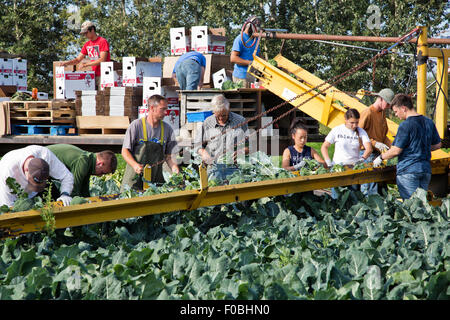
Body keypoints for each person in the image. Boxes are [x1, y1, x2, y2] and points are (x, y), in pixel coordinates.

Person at [373, 94, 441, 200]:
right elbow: (438, 145)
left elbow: (396, 150)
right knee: (422, 206)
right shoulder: (428, 122)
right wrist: (420, 147)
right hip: (425, 170)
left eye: (396, 111)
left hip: (408, 170)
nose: (396, 115)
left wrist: (381, 157)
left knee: (411, 208)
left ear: (403, 108)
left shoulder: (406, 125)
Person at [121, 95, 180, 191]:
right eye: (163, 109)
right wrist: (135, 165)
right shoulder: (136, 126)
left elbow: (169, 156)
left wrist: (175, 169)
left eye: (166, 109)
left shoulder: (167, 129)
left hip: (155, 179)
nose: (166, 112)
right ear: (152, 108)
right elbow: (125, 151)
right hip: (135, 177)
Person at [321, 108, 373, 199]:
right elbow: (324, 147)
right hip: (338, 170)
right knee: (337, 199)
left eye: (357, 123)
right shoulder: (337, 130)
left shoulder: (361, 132)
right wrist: (328, 162)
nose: (354, 125)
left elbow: (369, 149)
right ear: (345, 119)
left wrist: (362, 159)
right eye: (352, 123)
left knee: (354, 199)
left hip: (353, 170)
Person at [0, 145, 74, 207]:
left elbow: (67, 176)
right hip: (16, 197)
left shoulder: (45, 154)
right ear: (26, 170)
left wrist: (65, 194)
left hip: (40, 193)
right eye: (33, 183)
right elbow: (7, 207)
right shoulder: (7, 172)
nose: (35, 188)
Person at [197, 94, 248, 180]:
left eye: (224, 115)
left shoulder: (240, 121)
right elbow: (197, 145)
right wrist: (204, 153)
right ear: (213, 112)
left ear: (229, 109)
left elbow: (250, 146)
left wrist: (241, 151)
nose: (221, 118)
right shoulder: (208, 122)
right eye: (218, 116)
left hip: (235, 169)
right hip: (214, 169)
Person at [359, 88, 395, 195]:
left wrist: (393, 148)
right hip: (367, 153)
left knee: (381, 188)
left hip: (377, 155)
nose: (389, 107)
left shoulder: (382, 114)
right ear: (380, 99)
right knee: (370, 188)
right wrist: (374, 143)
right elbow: (358, 135)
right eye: (388, 104)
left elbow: (383, 135)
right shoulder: (367, 113)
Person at [47, 144, 117, 198]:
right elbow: (73, 190)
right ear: (100, 164)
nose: (100, 175)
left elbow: (84, 191)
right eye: (102, 172)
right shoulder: (83, 161)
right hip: (40, 166)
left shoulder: (89, 161)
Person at [60, 20, 111, 87]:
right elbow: (78, 59)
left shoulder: (102, 41)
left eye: (86, 33)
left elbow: (102, 60)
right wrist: (66, 63)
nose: (85, 35)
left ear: (92, 30)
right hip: (93, 76)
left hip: (104, 75)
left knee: (102, 96)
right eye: (83, 34)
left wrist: (86, 64)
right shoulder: (87, 45)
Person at [230, 16, 261, 88]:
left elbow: (258, 55)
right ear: (249, 26)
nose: (256, 31)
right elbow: (233, 58)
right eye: (255, 29)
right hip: (241, 76)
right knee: (244, 97)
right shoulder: (240, 39)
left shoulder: (255, 39)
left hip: (252, 76)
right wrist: (250, 63)